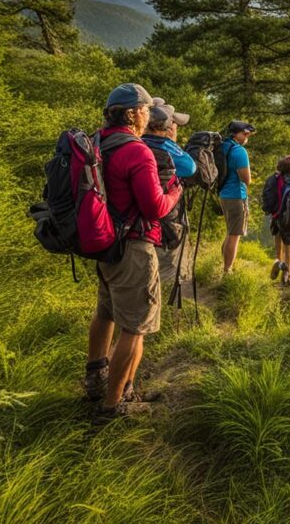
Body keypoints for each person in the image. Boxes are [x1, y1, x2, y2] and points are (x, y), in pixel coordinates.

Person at [83, 84, 182, 422]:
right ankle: (114, 405)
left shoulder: (100, 141)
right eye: (145, 109)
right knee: (135, 328)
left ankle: (95, 377)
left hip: (106, 244)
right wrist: (174, 195)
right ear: (134, 112)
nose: (147, 115)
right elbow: (154, 207)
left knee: (106, 313)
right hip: (134, 247)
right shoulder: (137, 151)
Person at [142, 98, 195, 299]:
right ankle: (162, 321)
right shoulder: (164, 147)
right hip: (164, 223)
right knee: (164, 274)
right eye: (174, 124)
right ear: (166, 127)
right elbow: (190, 168)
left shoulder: (134, 142)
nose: (176, 128)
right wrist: (171, 143)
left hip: (135, 224)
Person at [220, 120, 255, 275]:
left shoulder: (224, 146)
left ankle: (225, 266)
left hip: (223, 194)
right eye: (245, 133)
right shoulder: (239, 151)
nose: (248, 136)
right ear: (236, 134)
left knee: (230, 232)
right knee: (234, 235)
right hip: (236, 196)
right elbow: (246, 179)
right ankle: (227, 271)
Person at [266, 155, 290, 287]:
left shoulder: (274, 179)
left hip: (277, 216)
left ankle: (278, 261)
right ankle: (286, 276)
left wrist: (270, 210)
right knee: (289, 246)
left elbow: (268, 200)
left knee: (278, 238)